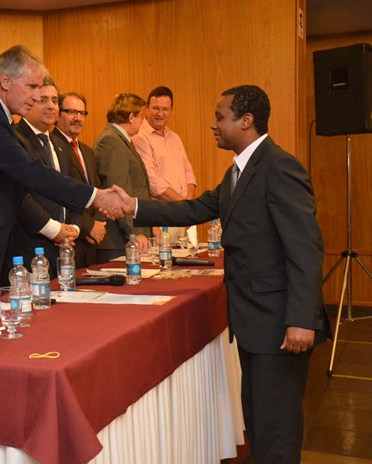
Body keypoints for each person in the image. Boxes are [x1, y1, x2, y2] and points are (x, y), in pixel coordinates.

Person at [117, 85, 330, 463]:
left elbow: (305, 248)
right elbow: (194, 209)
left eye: (220, 117)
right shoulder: (237, 172)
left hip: (279, 324)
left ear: (246, 121)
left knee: (277, 431)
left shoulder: (280, 167)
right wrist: (132, 206)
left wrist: (301, 319)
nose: (213, 125)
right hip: (254, 323)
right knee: (259, 421)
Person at [0, 45, 127, 305]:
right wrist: (95, 197)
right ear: (5, 81)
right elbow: (29, 171)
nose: (37, 97)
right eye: (32, 87)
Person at [9, 77, 79, 277]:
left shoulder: (62, 145)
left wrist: (73, 228)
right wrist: (53, 230)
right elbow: (17, 194)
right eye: (43, 100)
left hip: (65, 247)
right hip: (28, 248)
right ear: (29, 102)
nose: (51, 106)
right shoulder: (13, 138)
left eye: (55, 101)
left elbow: (73, 190)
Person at [132, 86, 197, 242]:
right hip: (160, 217)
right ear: (147, 108)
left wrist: (188, 203)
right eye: (156, 108)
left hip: (181, 215)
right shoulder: (139, 137)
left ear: (171, 110)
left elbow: (189, 172)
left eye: (165, 109)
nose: (160, 114)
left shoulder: (174, 137)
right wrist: (184, 206)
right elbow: (152, 182)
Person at [94, 93, 152, 262]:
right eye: (142, 117)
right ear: (131, 117)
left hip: (124, 237)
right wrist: (134, 233)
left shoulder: (119, 140)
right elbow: (118, 192)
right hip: (119, 240)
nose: (143, 122)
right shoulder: (111, 141)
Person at [52, 91, 106, 266]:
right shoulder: (51, 146)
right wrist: (89, 226)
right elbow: (61, 193)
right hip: (68, 239)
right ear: (58, 115)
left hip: (91, 243)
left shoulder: (87, 151)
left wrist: (98, 222)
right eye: (71, 112)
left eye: (82, 113)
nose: (78, 118)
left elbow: (97, 189)